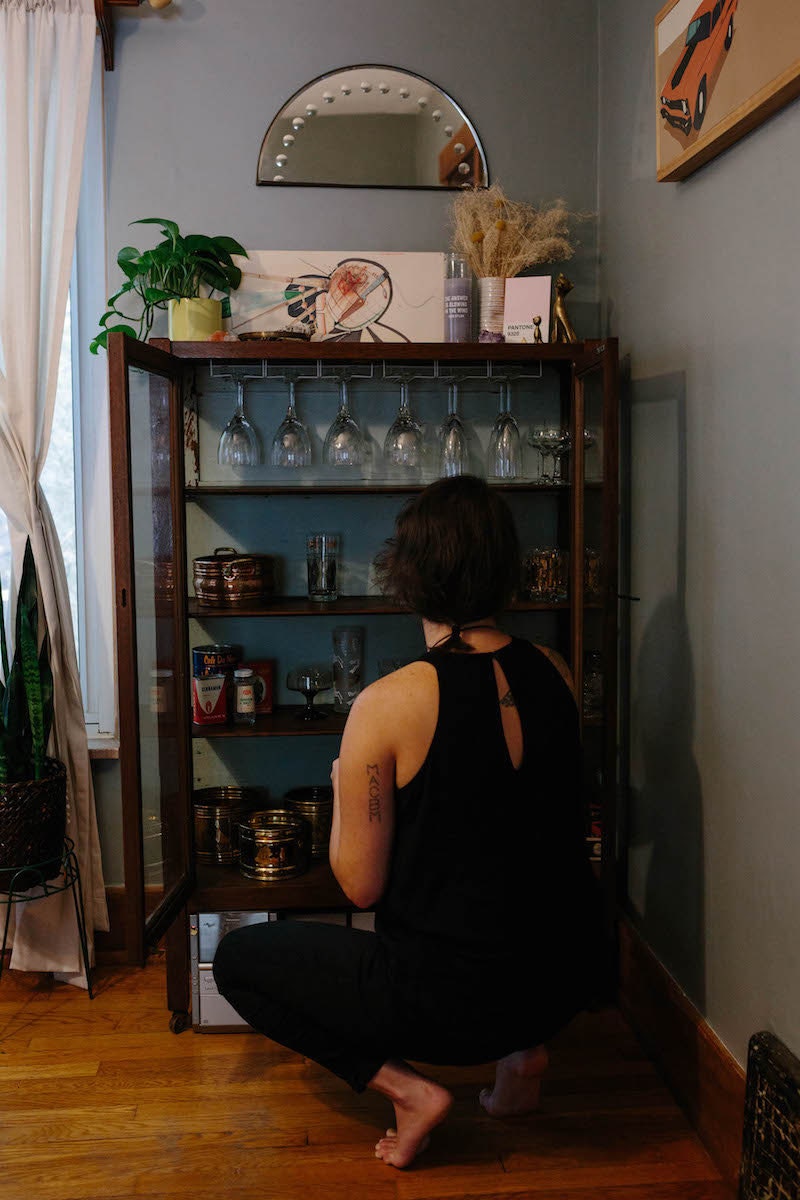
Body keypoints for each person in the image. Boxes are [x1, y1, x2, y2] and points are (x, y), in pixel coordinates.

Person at [213, 474, 607, 1169]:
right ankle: (523, 1060)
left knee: (238, 964)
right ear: (503, 570)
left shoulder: (387, 702)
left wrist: (343, 791)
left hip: (446, 1007)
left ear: (408, 575)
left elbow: (359, 887)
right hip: (559, 983)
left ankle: (408, 1089)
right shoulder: (555, 671)